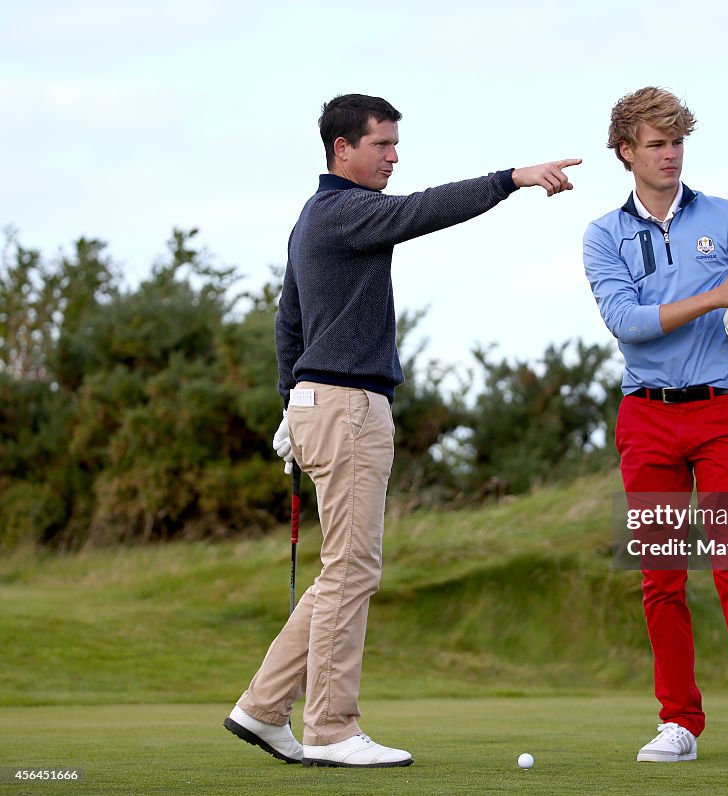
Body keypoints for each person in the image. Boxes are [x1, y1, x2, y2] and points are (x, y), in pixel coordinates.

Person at [224, 93, 581, 768]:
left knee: (341, 569)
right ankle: (330, 727)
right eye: (382, 145)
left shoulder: (312, 218)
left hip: (319, 401)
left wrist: (290, 404)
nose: (393, 156)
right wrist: (511, 179)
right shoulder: (347, 212)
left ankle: (264, 707)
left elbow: (287, 322)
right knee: (352, 569)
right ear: (343, 150)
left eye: (395, 144)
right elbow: (422, 211)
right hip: (348, 406)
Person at [582, 86, 728, 765]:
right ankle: (680, 722)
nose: (669, 155)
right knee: (661, 576)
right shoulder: (604, 236)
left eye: (676, 143)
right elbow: (628, 324)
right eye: (655, 144)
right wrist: (713, 298)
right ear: (627, 153)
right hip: (647, 417)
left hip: (724, 411)